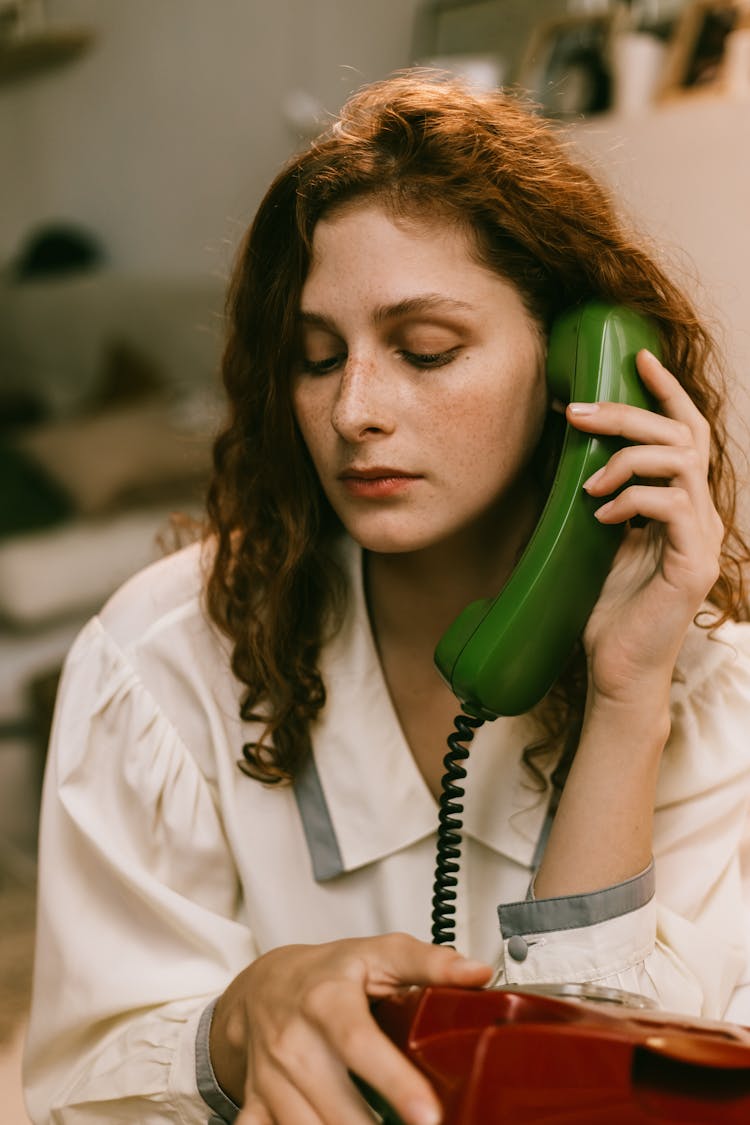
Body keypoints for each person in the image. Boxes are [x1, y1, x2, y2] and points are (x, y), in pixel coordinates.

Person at [24, 71, 750, 1125]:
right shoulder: (160, 662)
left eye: (425, 351)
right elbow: (82, 1095)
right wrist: (237, 1024)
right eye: (318, 359)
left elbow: (617, 1102)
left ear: (581, 377)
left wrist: (628, 698)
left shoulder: (714, 690)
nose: (355, 409)